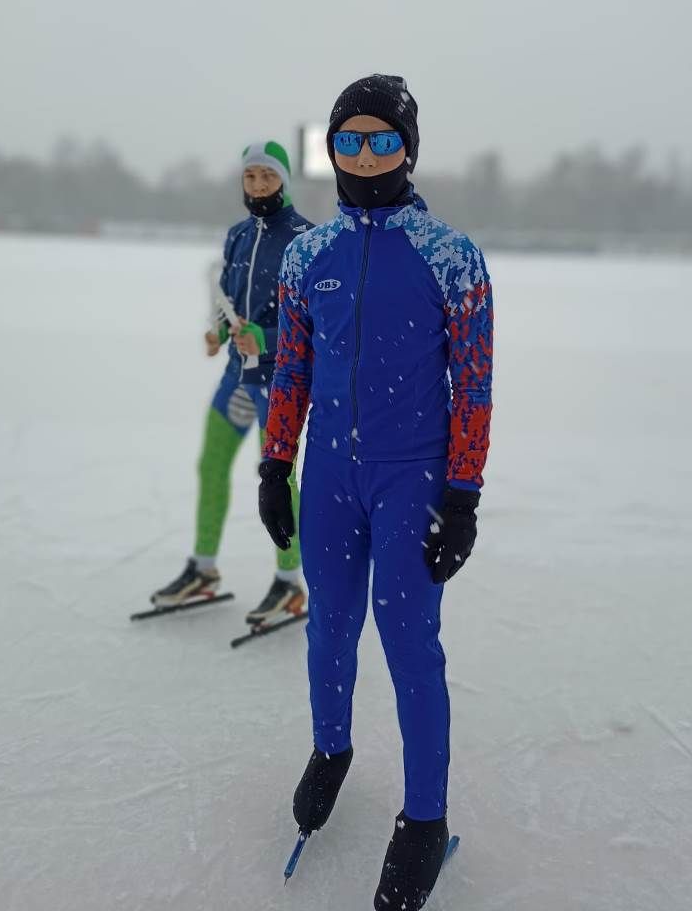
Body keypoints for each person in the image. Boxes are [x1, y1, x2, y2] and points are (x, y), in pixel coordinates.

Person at [257, 76, 493, 909]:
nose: (363, 156)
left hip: (413, 479)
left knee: (406, 641)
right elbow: (290, 370)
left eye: (380, 139)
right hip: (328, 478)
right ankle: (332, 750)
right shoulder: (307, 255)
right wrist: (272, 464)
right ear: (330, 150)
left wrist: (461, 496)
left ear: (408, 148)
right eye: (347, 141)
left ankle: (422, 821)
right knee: (328, 626)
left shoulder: (449, 256)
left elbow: (474, 385)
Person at [151, 141, 314, 625]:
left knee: (279, 480)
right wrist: (218, 331)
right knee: (211, 466)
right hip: (236, 379)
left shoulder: (306, 238)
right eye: (250, 177)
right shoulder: (238, 235)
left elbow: (315, 324)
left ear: (284, 180)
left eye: (267, 176)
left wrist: (263, 338)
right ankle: (203, 570)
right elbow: (228, 301)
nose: (259, 185)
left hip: (280, 383)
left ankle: (290, 583)